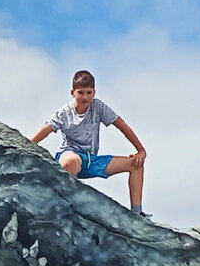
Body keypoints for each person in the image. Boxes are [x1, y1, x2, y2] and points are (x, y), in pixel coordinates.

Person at [31, 69, 149, 216]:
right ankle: (68, 205)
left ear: (94, 92)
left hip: (90, 160)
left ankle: (137, 214)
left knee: (136, 164)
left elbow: (122, 125)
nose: (85, 97)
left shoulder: (98, 107)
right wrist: (27, 145)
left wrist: (141, 150)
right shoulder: (64, 112)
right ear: (73, 92)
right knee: (71, 160)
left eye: (88, 92)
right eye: (81, 92)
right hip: (69, 157)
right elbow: (46, 129)